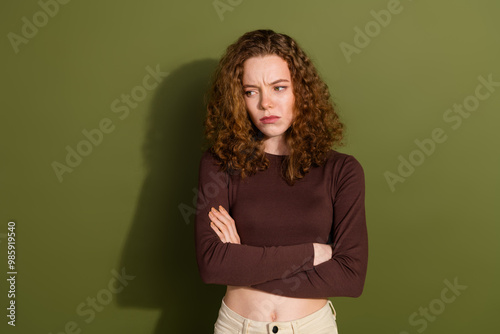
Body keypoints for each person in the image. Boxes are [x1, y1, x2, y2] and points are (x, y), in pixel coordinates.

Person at [194, 29, 368, 334]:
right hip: (237, 327)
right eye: (251, 91)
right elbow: (212, 265)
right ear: (239, 98)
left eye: (278, 88)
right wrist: (313, 253)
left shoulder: (342, 170)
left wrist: (241, 263)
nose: (265, 104)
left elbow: (350, 276)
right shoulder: (220, 164)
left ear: (300, 90)